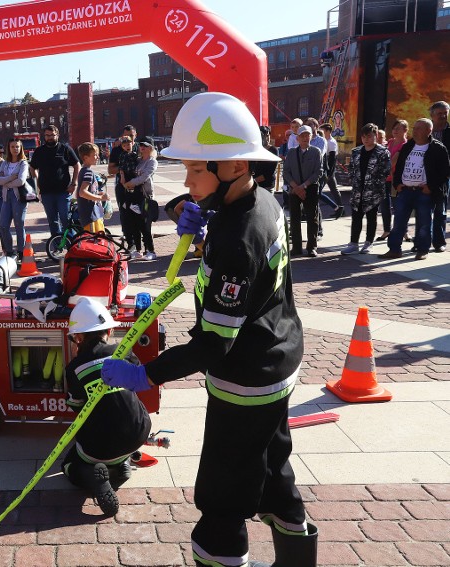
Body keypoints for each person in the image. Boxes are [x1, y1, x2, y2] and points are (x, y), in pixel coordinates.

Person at [101, 92, 316, 567]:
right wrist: (204, 229)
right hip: (276, 357)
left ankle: (220, 555)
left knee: (222, 496)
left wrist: (146, 374)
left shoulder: (238, 239)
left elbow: (215, 344)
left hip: (245, 378)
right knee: (273, 468)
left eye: (198, 170)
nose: (188, 182)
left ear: (236, 165)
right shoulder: (260, 201)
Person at [62, 297, 151, 517]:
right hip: (139, 431)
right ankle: (122, 463)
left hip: (100, 445)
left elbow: (76, 407)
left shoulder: (74, 368)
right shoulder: (124, 352)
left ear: (78, 337)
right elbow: (138, 381)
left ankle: (95, 477)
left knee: (69, 465)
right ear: (108, 332)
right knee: (122, 428)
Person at [379, 118, 450, 261]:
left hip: (424, 193)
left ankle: (422, 250)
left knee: (424, 223)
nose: (414, 131)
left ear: (428, 131)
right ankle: (394, 249)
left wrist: (431, 187)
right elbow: (399, 167)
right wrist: (397, 184)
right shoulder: (408, 146)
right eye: (414, 128)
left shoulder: (438, 148)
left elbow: (445, 172)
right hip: (405, 191)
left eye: (419, 128)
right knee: (399, 222)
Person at [340, 124, 391, 255]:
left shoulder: (382, 152)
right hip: (357, 190)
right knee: (356, 217)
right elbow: (351, 167)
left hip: (373, 192)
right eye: (364, 136)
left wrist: (375, 185)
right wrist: (353, 179)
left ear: (376, 136)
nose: (366, 139)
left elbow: (385, 172)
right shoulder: (356, 151)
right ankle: (353, 243)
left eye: (369, 136)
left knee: (371, 218)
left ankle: (369, 243)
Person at [30, 125, 81, 240]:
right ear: (44, 136)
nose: (50, 138)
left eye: (52, 135)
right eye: (47, 135)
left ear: (57, 135)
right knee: (52, 220)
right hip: (46, 192)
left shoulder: (65, 149)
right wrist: (37, 180)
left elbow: (77, 165)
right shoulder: (39, 151)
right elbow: (32, 167)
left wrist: (74, 183)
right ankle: (57, 245)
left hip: (63, 191)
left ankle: (71, 244)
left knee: (65, 219)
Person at [283, 125, 323, 256]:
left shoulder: (316, 152)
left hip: (310, 188)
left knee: (312, 218)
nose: (305, 138)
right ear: (298, 138)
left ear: (311, 136)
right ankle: (296, 247)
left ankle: (312, 247)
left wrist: (304, 186)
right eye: (303, 136)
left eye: (308, 135)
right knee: (294, 218)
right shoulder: (291, 152)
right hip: (294, 189)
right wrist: (295, 186)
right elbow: (286, 172)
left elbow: (318, 172)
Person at [121, 136, 158, 260]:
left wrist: (130, 182)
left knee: (145, 224)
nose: (142, 147)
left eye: (145, 145)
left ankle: (151, 251)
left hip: (145, 196)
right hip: (133, 195)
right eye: (141, 144)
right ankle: (138, 250)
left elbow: (145, 177)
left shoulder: (152, 161)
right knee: (135, 223)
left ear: (151, 148)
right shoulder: (138, 160)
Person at [0, 138, 30, 258]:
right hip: (6, 197)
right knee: (3, 226)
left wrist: (6, 182)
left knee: (19, 225)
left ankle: (21, 251)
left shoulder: (23, 163)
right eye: (12, 147)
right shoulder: (5, 163)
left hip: (18, 197)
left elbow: (20, 181)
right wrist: (10, 178)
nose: (15, 149)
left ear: (21, 148)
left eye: (17, 147)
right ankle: (9, 251)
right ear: (8, 149)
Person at [379, 119, 409, 241]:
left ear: (405, 130)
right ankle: (387, 230)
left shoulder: (405, 145)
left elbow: (391, 163)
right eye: (394, 128)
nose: (395, 131)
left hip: (397, 180)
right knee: (384, 206)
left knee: (399, 207)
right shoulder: (390, 142)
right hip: (385, 179)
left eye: (398, 129)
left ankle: (404, 231)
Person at [108, 125, 139, 243]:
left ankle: (139, 240)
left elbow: (152, 155)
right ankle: (128, 239)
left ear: (136, 135)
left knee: (139, 212)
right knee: (125, 213)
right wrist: (125, 167)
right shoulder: (117, 150)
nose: (129, 139)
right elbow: (110, 170)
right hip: (122, 186)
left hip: (138, 185)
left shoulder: (139, 147)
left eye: (131, 135)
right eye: (126, 136)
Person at [429, 101, 450, 252]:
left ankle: (439, 242)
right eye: (439, 113)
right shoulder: (425, 130)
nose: (443, 116)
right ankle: (422, 240)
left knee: (440, 210)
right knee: (423, 210)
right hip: (424, 176)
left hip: (443, 178)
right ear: (432, 115)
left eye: (445, 113)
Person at [75, 142, 109, 233]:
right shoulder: (88, 172)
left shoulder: (84, 171)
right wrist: (100, 198)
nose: (98, 157)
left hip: (91, 213)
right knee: (93, 240)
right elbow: (82, 192)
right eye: (95, 155)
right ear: (85, 158)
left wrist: (97, 193)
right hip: (90, 214)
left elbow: (82, 191)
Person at [319, 123, 345, 219]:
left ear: (328, 131)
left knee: (328, 190)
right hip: (326, 169)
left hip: (329, 170)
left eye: (323, 131)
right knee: (333, 190)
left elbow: (332, 158)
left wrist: (330, 172)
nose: (321, 132)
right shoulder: (323, 140)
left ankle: (339, 207)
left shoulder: (331, 142)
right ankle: (340, 208)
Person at [252, 126, 279, 193]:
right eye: (263, 136)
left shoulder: (273, 150)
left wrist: (253, 181)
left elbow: (269, 172)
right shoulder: (254, 150)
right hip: (254, 185)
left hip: (267, 186)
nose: (266, 138)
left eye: (268, 135)